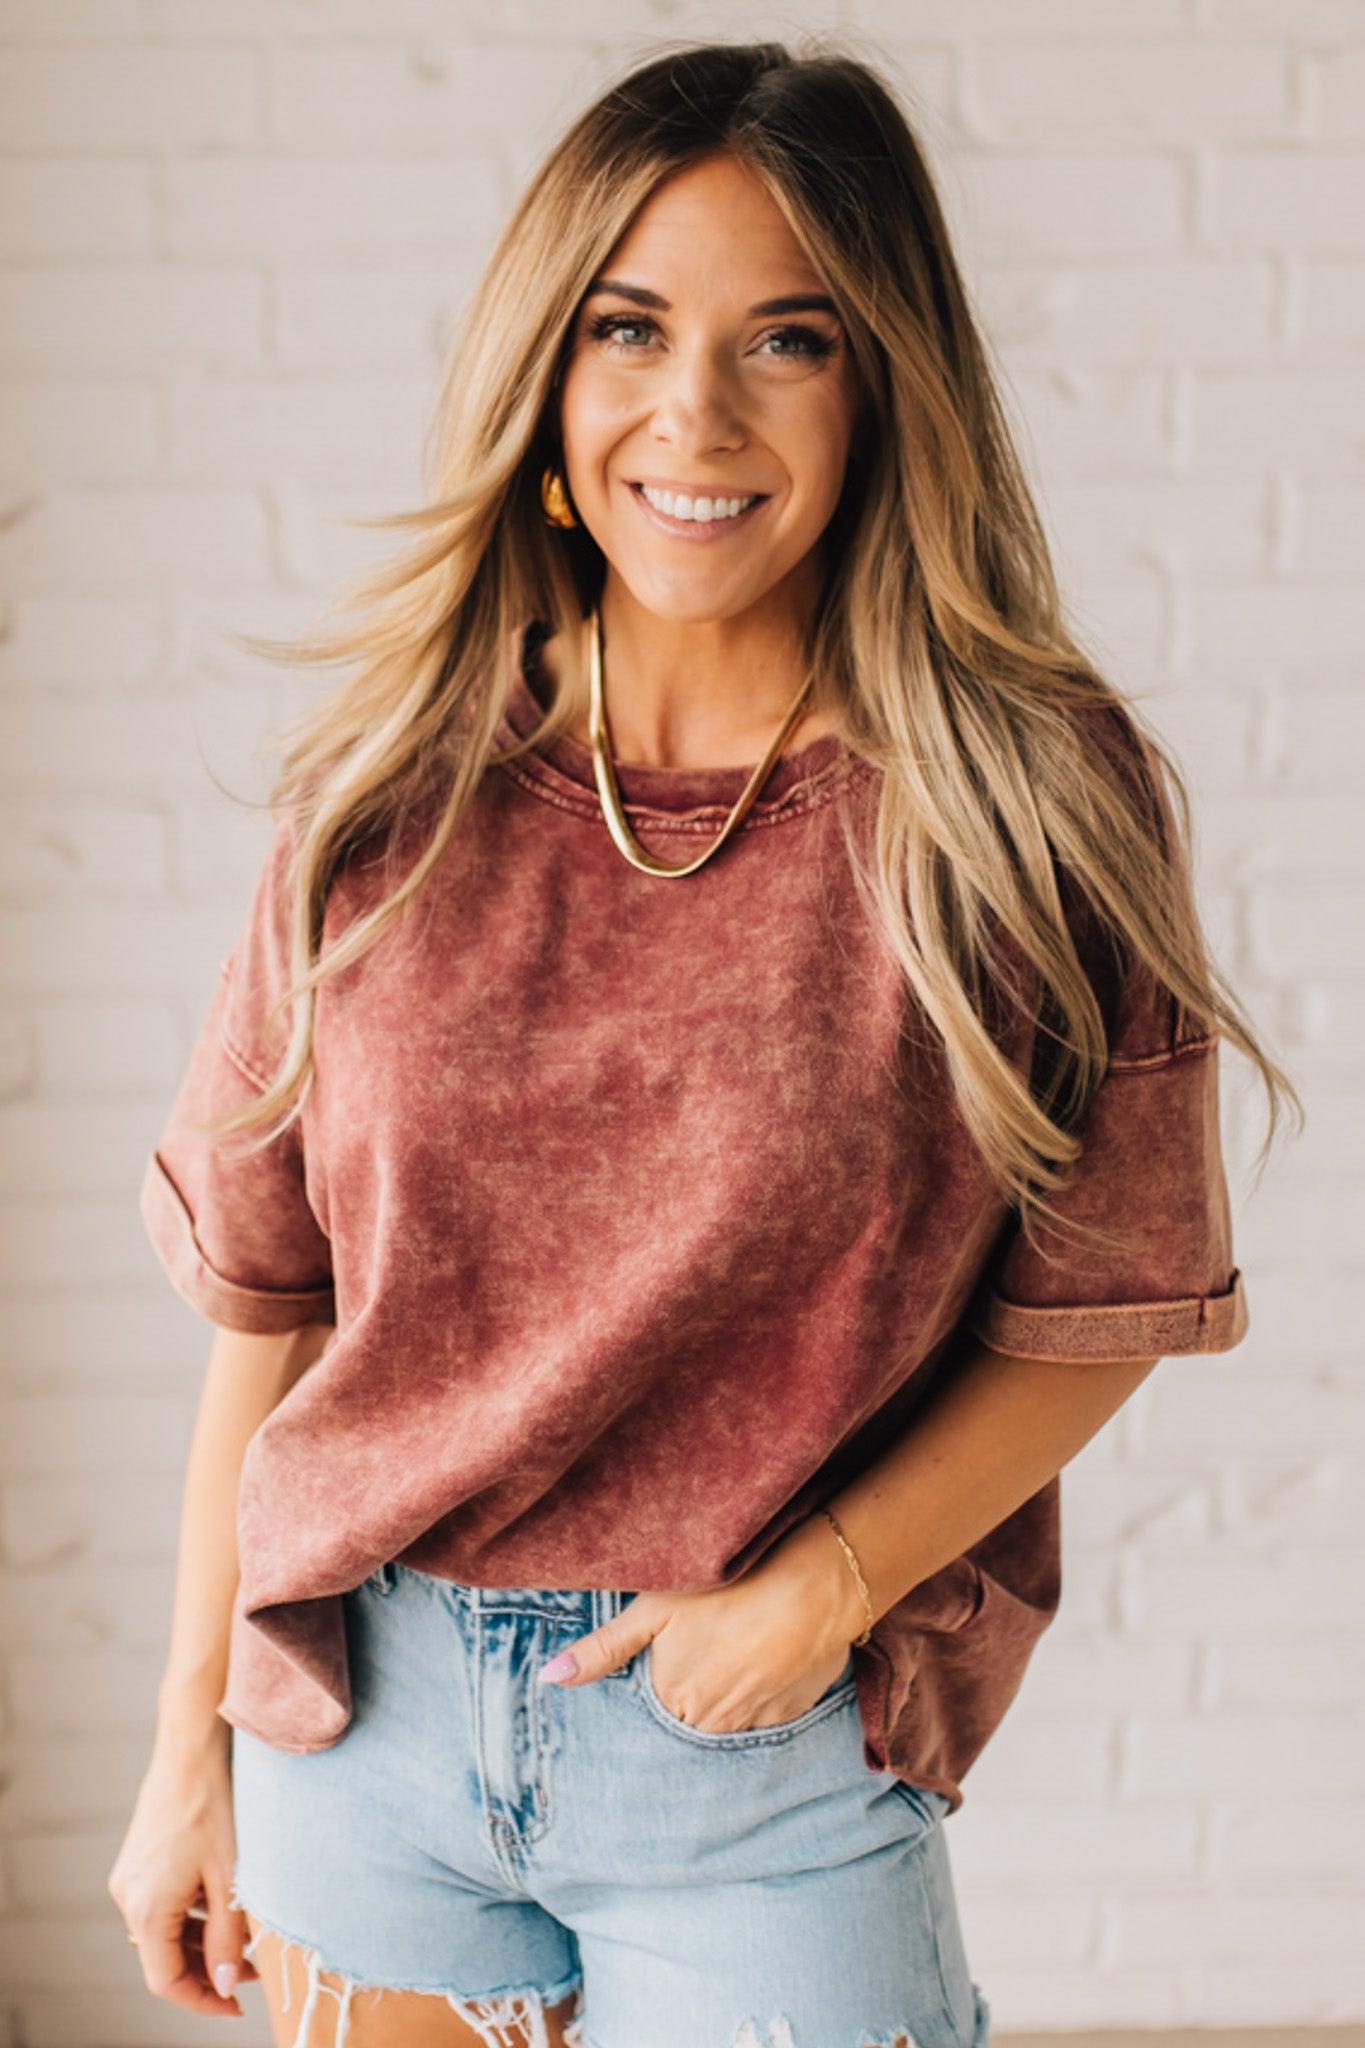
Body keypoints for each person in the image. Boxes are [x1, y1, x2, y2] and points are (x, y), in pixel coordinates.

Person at [107, 38, 1298, 2048]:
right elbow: (272, 1315)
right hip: (360, 1729)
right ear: (547, 372)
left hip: (750, 1754)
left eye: (787, 341)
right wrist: (182, 1752)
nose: (696, 414)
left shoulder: (1017, 799)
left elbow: (1104, 1301)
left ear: (881, 385)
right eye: (629, 328)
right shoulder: (386, 790)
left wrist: (821, 1590)